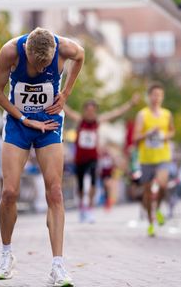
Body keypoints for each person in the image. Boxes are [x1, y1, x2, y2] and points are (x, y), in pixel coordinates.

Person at [0, 27, 84, 285]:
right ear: (26, 53)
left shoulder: (64, 47)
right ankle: (6, 254)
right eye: (37, 64)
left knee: (55, 192)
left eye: (47, 65)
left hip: (50, 122)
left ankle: (58, 265)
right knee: (9, 192)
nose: (43, 70)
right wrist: (23, 119)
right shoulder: (10, 51)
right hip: (18, 123)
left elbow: (81, 55)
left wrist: (65, 93)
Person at [64, 97, 137, 223]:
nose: (90, 113)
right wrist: (56, 96)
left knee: (93, 184)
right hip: (80, 159)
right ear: (84, 111)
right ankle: (82, 207)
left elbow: (116, 113)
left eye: (93, 111)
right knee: (81, 186)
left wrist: (130, 104)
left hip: (93, 158)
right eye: (88, 110)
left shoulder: (97, 121)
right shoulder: (79, 120)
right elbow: (67, 110)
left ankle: (90, 210)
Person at [134, 83, 175, 237]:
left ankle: (157, 209)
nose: (157, 98)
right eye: (154, 95)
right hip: (146, 158)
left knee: (162, 185)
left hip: (163, 156)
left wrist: (165, 136)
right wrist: (148, 133)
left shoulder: (167, 114)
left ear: (162, 97)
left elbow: (172, 131)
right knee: (147, 191)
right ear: (149, 96)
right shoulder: (142, 115)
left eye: (159, 95)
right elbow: (136, 137)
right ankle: (151, 222)